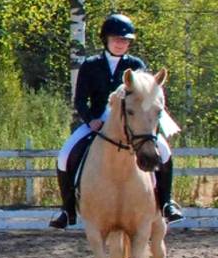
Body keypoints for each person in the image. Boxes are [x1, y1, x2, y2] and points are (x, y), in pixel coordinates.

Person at [50, 13, 183, 228]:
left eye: (125, 40)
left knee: (164, 151)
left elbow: (146, 96)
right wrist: (91, 120)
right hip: (98, 119)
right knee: (65, 154)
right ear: (106, 40)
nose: (121, 44)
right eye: (116, 39)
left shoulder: (136, 64)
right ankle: (67, 209)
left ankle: (167, 203)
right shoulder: (90, 65)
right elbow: (80, 100)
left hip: (132, 121)